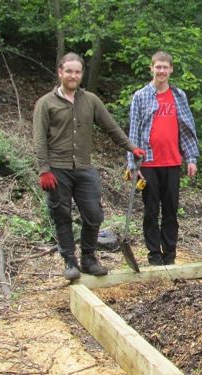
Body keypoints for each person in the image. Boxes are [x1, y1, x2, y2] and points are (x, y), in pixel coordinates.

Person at [34, 52, 146, 281]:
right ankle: (69, 261)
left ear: (81, 74)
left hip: (84, 167)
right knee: (61, 215)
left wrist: (131, 147)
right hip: (57, 169)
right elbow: (39, 140)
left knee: (94, 215)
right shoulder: (45, 104)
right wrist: (44, 169)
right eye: (69, 71)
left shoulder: (91, 100)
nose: (73, 75)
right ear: (60, 72)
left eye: (77, 72)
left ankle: (88, 258)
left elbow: (111, 128)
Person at [127, 51, 199, 266]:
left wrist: (192, 158)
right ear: (151, 68)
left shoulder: (179, 96)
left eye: (165, 67)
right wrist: (132, 164)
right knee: (151, 212)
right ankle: (154, 256)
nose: (161, 71)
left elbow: (187, 129)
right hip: (148, 163)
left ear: (171, 70)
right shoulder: (140, 96)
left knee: (170, 211)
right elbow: (134, 132)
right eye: (158, 67)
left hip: (172, 162)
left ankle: (169, 255)